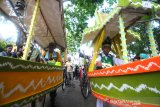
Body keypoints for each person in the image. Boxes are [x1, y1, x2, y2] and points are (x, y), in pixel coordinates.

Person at [95, 36, 124, 107]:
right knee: (100, 96)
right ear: (103, 48)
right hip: (101, 78)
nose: (107, 49)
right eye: (105, 47)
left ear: (110, 49)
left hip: (110, 78)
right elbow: (97, 63)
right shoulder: (99, 56)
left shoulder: (112, 57)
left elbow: (120, 62)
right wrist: (101, 64)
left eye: (108, 48)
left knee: (111, 94)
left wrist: (129, 62)